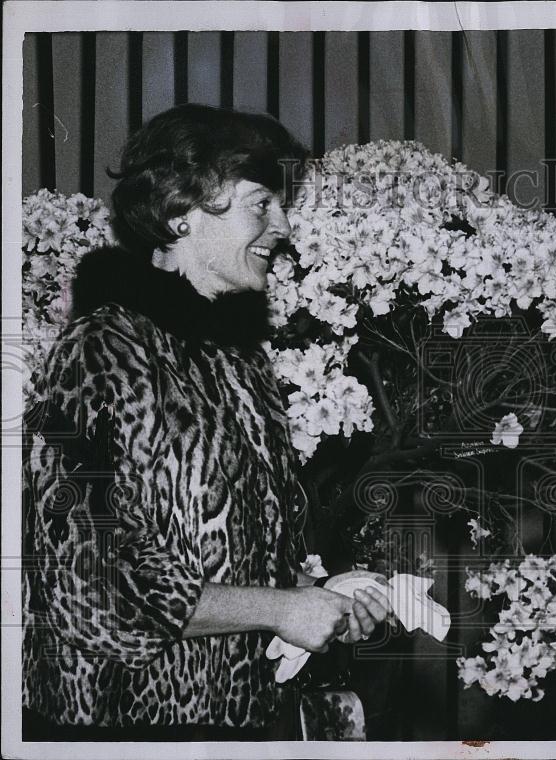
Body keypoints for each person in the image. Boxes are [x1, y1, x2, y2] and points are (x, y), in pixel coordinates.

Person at [22, 103, 389, 739]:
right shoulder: (97, 352)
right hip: (121, 727)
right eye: (261, 202)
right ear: (178, 214)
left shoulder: (239, 362)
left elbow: (230, 551)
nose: (282, 224)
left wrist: (321, 597)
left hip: (235, 721)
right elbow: (91, 575)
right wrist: (280, 608)